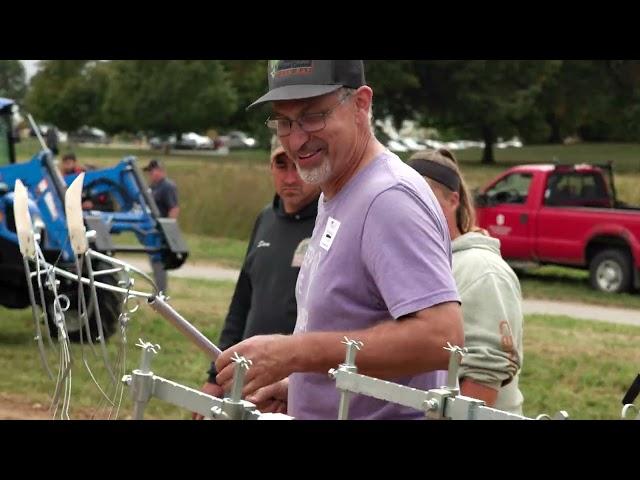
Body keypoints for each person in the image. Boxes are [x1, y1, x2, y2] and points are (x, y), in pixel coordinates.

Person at [214, 60, 464, 420]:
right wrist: (300, 387)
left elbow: (442, 337)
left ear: (361, 104)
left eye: (313, 116)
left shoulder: (388, 198)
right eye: (283, 122)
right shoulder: (338, 191)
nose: (296, 139)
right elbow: (353, 317)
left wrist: (294, 353)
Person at [193, 136, 320, 419]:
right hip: (245, 378)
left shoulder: (328, 223)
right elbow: (242, 301)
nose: (290, 178)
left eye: (299, 166)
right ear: (270, 167)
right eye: (281, 165)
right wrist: (215, 377)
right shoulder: (265, 219)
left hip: (289, 389)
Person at [408, 148, 524, 415]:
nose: (413, 208)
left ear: (453, 200)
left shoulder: (482, 270)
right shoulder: (414, 265)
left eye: (425, 197)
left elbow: (483, 378)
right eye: (405, 198)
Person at [143, 159, 179, 293]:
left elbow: (174, 208)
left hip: (162, 230)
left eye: (151, 172)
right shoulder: (153, 187)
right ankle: (158, 289)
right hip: (153, 230)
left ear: (159, 170)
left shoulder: (167, 186)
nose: (150, 175)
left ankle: (161, 292)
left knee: (159, 261)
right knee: (154, 260)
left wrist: (168, 230)